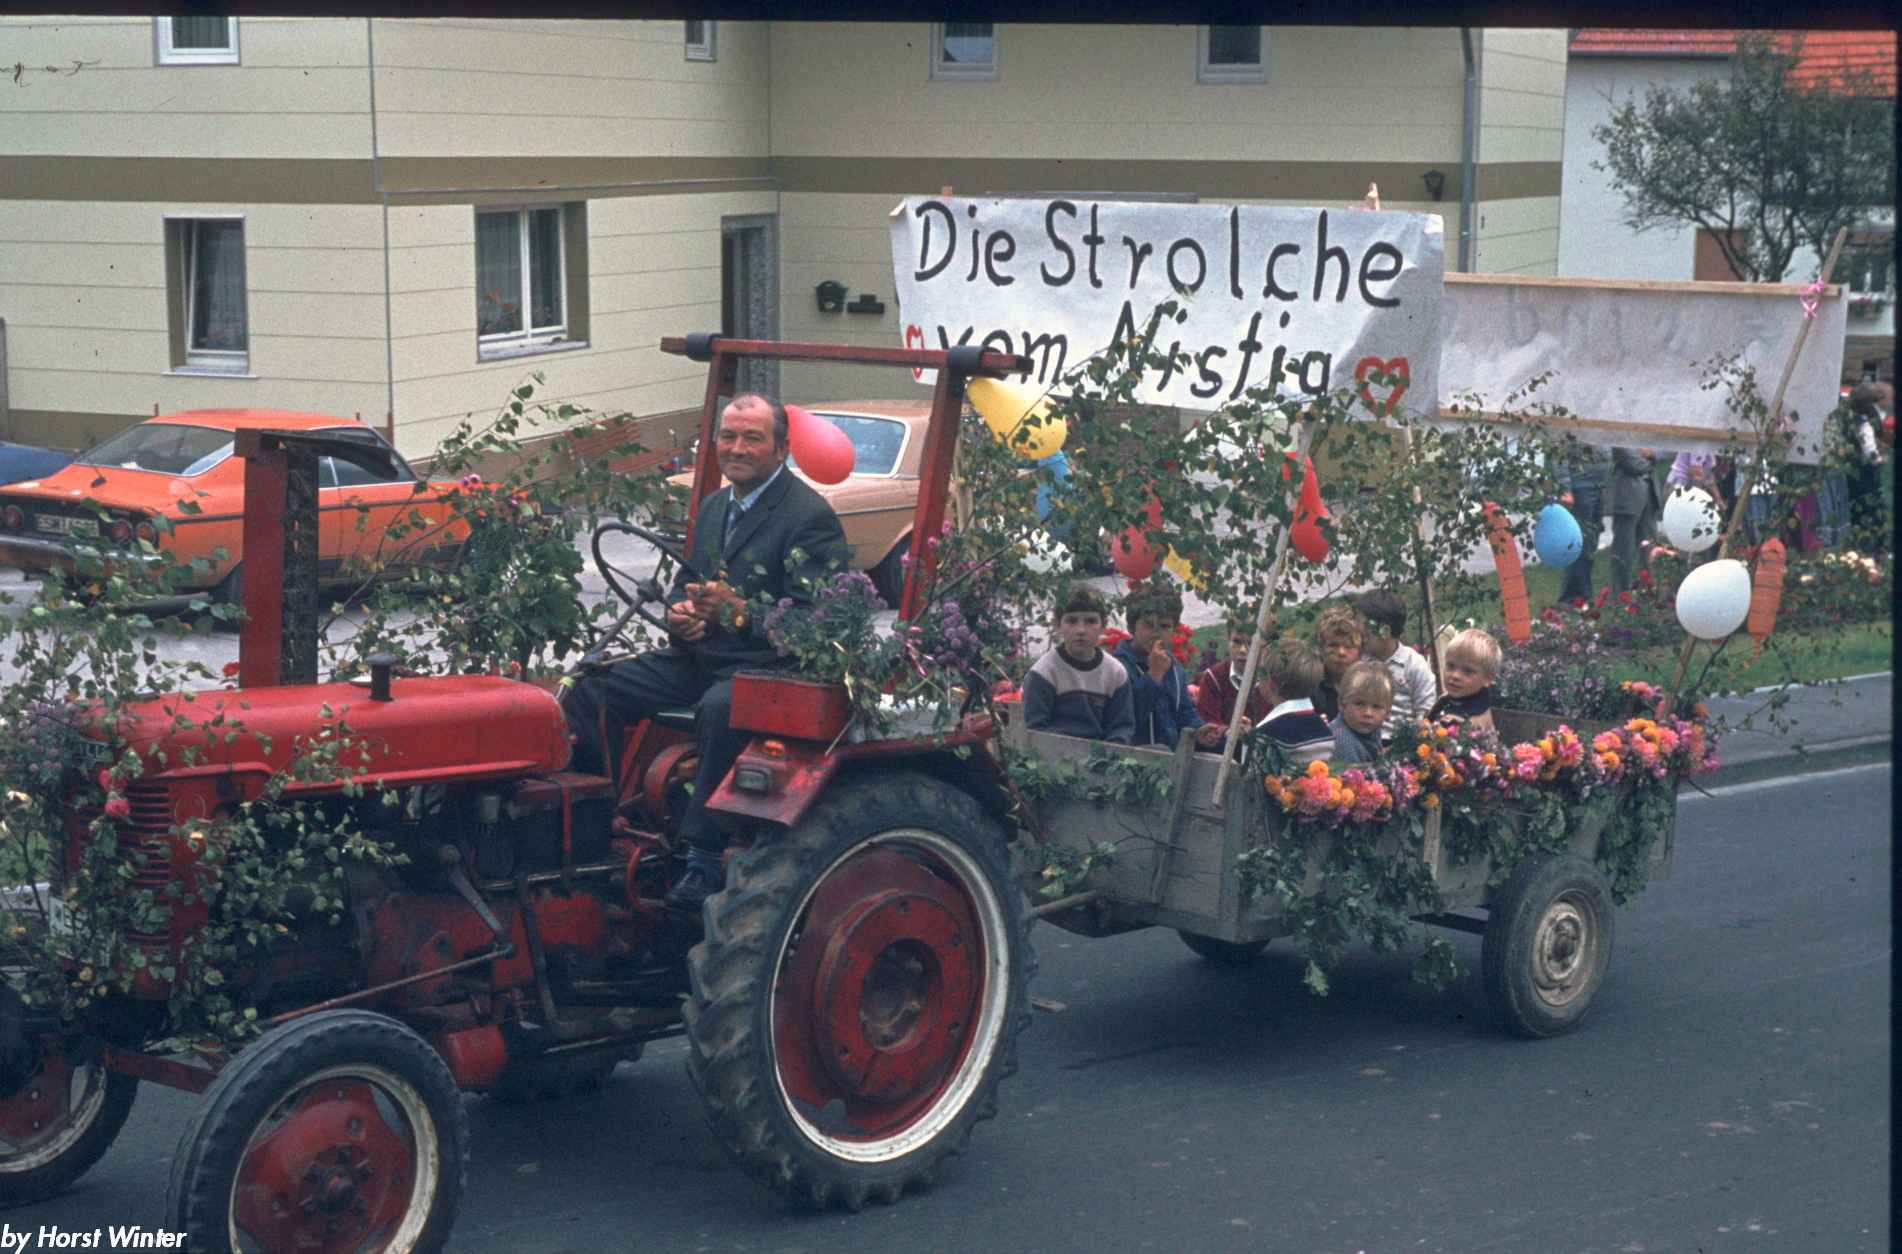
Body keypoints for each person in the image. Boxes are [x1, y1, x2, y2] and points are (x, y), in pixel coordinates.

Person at [562, 392, 847, 911]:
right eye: (728, 436)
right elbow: (687, 584)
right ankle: (594, 828)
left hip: (770, 668)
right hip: (703, 659)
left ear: (781, 449)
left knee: (720, 708)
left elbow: (819, 624)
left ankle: (702, 856)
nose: (737, 448)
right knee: (592, 687)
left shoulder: (809, 517)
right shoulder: (716, 506)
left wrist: (739, 613)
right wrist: (681, 614)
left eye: (752, 438)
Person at [1113, 579, 1223, 750]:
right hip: (1134, 756)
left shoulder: (1173, 666)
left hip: (1170, 757)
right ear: (1132, 626)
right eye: (1149, 625)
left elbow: (1184, 712)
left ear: (1174, 629)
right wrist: (1154, 675)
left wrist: (1199, 729)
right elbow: (1128, 718)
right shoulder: (1119, 667)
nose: (1156, 634)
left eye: (1164, 626)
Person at [1023, 584, 1135, 744]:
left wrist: (1110, 752)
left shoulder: (1116, 673)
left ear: (1103, 625)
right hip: (1054, 754)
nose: (1081, 630)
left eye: (1091, 621)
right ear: (1057, 624)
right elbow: (1036, 731)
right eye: (1071, 621)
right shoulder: (1043, 673)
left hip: (1103, 754)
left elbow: (1121, 727)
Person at [1352, 590, 1437, 738]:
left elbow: (1426, 713)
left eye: (1366, 631)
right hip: (1361, 739)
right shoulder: (1358, 661)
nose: (1359, 636)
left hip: (1401, 743)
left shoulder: (1414, 664)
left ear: (1385, 631)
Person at [1258, 638, 1334, 766]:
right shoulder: (1325, 730)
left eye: (1260, 674)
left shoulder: (1266, 734)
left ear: (1270, 682)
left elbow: (1253, 776)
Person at [1193, 614, 1274, 733]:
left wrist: (1253, 735)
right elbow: (1207, 724)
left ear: (1266, 645)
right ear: (1228, 639)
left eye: (1251, 643)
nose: (1242, 650)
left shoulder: (1274, 680)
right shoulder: (1214, 678)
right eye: (1236, 641)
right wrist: (1229, 731)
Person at [1556, 446, 1608, 605]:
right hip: (1580, 488)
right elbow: (1559, 451)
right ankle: (1571, 598)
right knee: (1579, 544)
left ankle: (1583, 595)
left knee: (1590, 544)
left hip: (1597, 487)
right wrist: (1565, 488)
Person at [1608, 446, 1662, 596]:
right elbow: (1632, 463)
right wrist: (1651, 461)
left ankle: (1648, 591)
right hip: (1628, 497)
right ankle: (1620, 594)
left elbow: (1661, 451)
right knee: (1623, 549)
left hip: (1650, 495)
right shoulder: (1619, 436)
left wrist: (1651, 454)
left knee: (1650, 547)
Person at [1427, 627, 1500, 735]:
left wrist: (1461, 724)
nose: (1455, 676)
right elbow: (1427, 722)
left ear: (1487, 679)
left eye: (1468, 671)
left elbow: (1478, 731)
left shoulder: (1481, 708)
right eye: (1450, 666)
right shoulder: (1446, 700)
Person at [1330, 660, 1393, 765]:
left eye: (1376, 706)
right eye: (1359, 704)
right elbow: (1353, 775)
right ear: (1342, 704)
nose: (1368, 713)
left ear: (1388, 712)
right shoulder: (1342, 741)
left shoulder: (1370, 728)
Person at [1311, 604, 1363, 722]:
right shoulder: (1311, 685)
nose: (1341, 652)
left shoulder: (1368, 683)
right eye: (1333, 645)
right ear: (1321, 648)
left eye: (1349, 646)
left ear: (1360, 650)